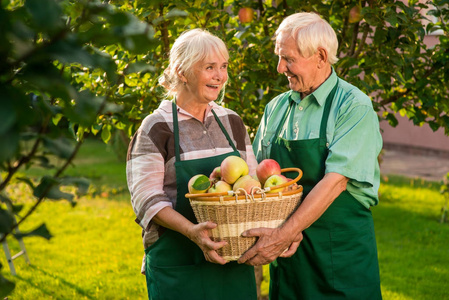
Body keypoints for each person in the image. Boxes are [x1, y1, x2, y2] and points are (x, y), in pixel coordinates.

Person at [239, 12, 383, 299]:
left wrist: (281, 236)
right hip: (289, 260)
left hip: (340, 256)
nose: (280, 68)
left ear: (320, 56)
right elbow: (256, 179)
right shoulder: (276, 108)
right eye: (279, 57)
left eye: (288, 59)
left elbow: (335, 183)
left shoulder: (353, 106)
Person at [126, 28, 258, 300]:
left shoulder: (232, 122)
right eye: (210, 67)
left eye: (223, 66)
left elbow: (253, 184)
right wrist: (192, 232)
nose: (220, 76)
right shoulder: (156, 127)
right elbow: (147, 199)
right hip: (178, 262)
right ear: (182, 72)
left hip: (231, 259)